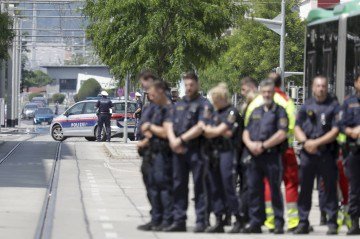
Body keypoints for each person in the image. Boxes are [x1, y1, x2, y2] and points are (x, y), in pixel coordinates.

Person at [294, 75, 340, 235]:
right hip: (308, 153)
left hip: (326, 152)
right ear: (313, 88)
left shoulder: (334, 106)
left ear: (327, 88)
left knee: (329, 188)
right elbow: (297, 127)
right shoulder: (306, 105)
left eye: (323, 86)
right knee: (305, 188)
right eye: (318, 86)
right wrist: (306, 142)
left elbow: (335, 131)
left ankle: (332, 222)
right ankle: (303, 221)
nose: (321, 88)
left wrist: (316, 143)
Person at [164, 72, 209, 232]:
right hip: (179, 151)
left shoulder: (204, 104)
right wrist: (173, 141)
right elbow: (168, 123)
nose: (189, 88)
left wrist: (181, 140)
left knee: (200, 187)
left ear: (197, 85)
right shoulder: (179, 104)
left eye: (191, 85)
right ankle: (179, 220)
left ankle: (201, 221)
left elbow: (201, 126)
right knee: (179, 186)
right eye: (186, 85)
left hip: (197, 150)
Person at [242, 79, 288, 234]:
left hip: (271, 156)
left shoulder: (280, 111)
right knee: (254, 190)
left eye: (270, 92)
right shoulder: (256, 111)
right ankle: (255, 222)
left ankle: (278, 222)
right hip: (254, 156)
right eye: (264, 92)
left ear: (274, 93)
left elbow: (282, 133)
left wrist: (263, 145)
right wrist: (250, 145)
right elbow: (246, 131)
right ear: (261, 93)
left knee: (275, 190)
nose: (267, 94)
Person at [202, 83, 244, 233]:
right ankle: (219, 219)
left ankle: (238, 218)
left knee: (228, 186)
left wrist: (212, 130)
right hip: (214, 153)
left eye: (215, 99)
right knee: (215, 187)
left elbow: (224, 131)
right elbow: (205, 129)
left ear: (221, 98)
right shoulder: (215, 112)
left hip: (228, 152)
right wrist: (213, 130)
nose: (213, 102)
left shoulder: (232, 112)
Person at [262, 72, 299, 232]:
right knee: (290, 184)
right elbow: (293, 125)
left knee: (269, 183)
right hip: (286, 148)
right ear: (281, 82)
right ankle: (292, 222)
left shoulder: (260, 99)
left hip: (266, 149)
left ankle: (271, 221)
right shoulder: (286, 100)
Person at [140, 80, 174, 231]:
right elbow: (146, 128)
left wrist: (151, 128)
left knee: (163, 186)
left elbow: (165, 132)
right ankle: (156, 218)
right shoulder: (156, 109)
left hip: (163, 153)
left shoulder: (169, 109)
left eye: (153, 93)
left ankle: (167, 219)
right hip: (152, 151)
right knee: (153, 186)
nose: (150, 96)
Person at [136, 70, 158, 231]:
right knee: (150, 186)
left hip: (158, 152)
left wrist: (148, 136)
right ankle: (156, 216)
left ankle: (159, 217)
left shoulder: (162, 106)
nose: (144, 88)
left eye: (146, 83)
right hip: (148, 153)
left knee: (158, 187)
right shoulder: (148, 105)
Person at [341, 73, 360, 235]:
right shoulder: (349, 102)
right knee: (355, 189)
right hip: (355, 151)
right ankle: (354, 223)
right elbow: (341, 125)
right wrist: (351, 131)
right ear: (356, 83)